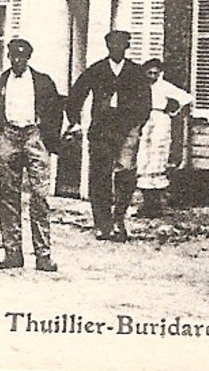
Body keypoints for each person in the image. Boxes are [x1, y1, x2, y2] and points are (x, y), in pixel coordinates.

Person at [0, 38, 64, 272]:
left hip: (34, 136)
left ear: (28, 58)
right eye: (13, 56)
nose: (17, 61)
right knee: (7, 195)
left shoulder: (43, 82)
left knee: (39, 195)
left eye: (21, 57)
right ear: (8, 57)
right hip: (8, 134)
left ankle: (43, 255)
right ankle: (12, 253)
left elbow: (57, 110)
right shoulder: (2, 81)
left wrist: (50, 142)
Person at [63, 29, 154, 242]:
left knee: (126, 172)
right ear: (108, 47)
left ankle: (118, 218)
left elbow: (145, 101)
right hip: (102, 129)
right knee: (100, 174)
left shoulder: (135, 72)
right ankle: (102, 223)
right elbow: (76, 94)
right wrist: (74, 121)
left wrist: (138, 124)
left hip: (127, 128)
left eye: (121, 45)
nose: (117, 49)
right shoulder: (96, 70)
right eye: (113, 45)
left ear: (127, 47)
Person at [137, 59, 190, 216]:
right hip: (144, 119)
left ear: (160, 73)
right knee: (143, 156)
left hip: (160, 119)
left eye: (156, 73)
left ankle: (156, 205)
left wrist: (173, 111)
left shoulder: (165, 86)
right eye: (150, 73)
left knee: (157, 156)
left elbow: (186, 98)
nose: (153, 76)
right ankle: (145, 203)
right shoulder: (140, 87)